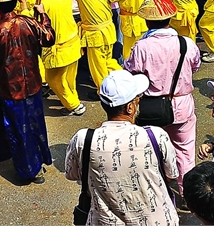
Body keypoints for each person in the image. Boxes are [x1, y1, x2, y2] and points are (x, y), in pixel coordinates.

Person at [64, 69, 179, 226]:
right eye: (138, 99)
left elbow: (72, 174)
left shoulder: (83, 139)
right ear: (130, 108)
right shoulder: (156, 136)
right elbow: (171, 175)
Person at [0, 0, 55, 184]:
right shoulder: (30, 23)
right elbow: (49, 37)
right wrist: (42, 15)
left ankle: (27, 170)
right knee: (34, 125)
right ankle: (37, 162)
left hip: (10, 89)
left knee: (17, 129)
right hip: (32, 85)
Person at [123, 0, 203, 184]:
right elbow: (195, 66)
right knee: (185, 151)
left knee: (152, 150)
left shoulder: (141, 46)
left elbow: (130, 71)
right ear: (169, 19)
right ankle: (188, 192)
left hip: (151, 106)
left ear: (147, 21)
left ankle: (157, 189)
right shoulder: (186, 43)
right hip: (182, 104)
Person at [37, 0, 84, 115]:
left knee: (53, 79)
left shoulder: (44, 1)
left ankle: (74, 105)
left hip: (59, 46)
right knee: (70, 78)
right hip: (73, 40)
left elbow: (38, 23)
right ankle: (72, 99)